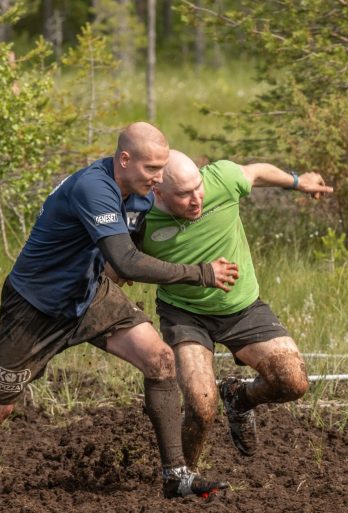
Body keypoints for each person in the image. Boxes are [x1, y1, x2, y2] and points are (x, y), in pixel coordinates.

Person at [0, 123, 237, 501]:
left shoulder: (140, 192)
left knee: (160, 360)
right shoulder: (93, 188)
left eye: (162, 168)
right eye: (152, 169)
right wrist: (201, 273)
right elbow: (128, 260)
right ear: (124, 159)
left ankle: (176, 475)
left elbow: (131, 238)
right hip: (35, 308)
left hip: (88, 295)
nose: (158, 178)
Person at [142, 150, 332, 470]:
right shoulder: (138, 216)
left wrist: (299, 181)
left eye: (197, 188)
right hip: (185, 314)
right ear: (157, 191)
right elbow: (118, 259)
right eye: (183, 195)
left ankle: (238, 398)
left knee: (292, 382)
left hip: (242, 307)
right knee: (202, 408)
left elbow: (257, 171)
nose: (195, 200)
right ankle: (180, 479)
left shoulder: (223, 179)